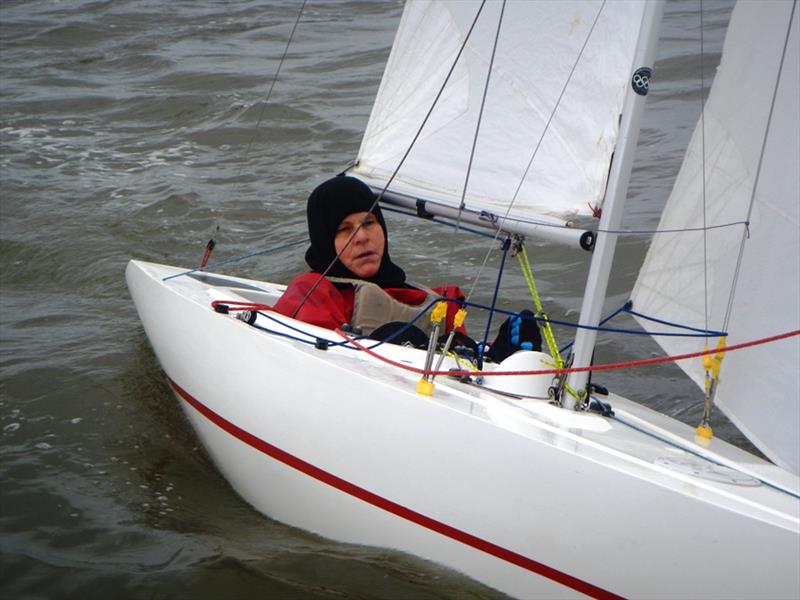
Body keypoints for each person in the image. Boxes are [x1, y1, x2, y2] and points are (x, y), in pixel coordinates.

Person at [273, 175, 541, 361]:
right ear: (325, 241)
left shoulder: (435, 304)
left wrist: (496, 356)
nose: (362, 237)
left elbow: (461, 371)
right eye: (344, 229)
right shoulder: (314, 293)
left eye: (369, 223)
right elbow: (307, 359)